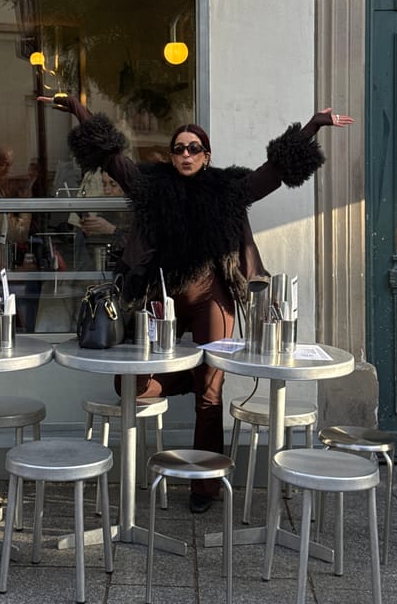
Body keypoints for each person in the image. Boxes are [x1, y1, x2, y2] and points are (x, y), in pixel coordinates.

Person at [41, 93, 353, 513]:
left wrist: (313, 125)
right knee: (130, 384)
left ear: (206, 156)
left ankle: (204, 485)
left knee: (211, 399)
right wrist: (78, 110)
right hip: (160, 298)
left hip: (212, 296)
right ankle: (197, 377)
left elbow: (274, 171)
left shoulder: (228, 190)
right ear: (171, 157)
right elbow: (112, 157)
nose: (185, 154)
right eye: (178, 148)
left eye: (194, 148)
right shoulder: (151, 186)